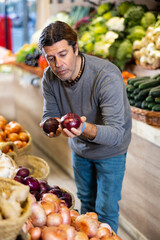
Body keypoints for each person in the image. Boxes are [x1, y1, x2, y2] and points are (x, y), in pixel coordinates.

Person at [39, 20, 132, 233]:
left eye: (63, 55)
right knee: (86, 206)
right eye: (51, 58)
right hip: (80, 150)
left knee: (106, 210)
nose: (58, 64)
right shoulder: (49, 77)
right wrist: (49, 126)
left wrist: (82, 129)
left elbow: (117, 133)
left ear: (76, 48)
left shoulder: (106, 75)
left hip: (111, 152)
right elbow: (49, 115)